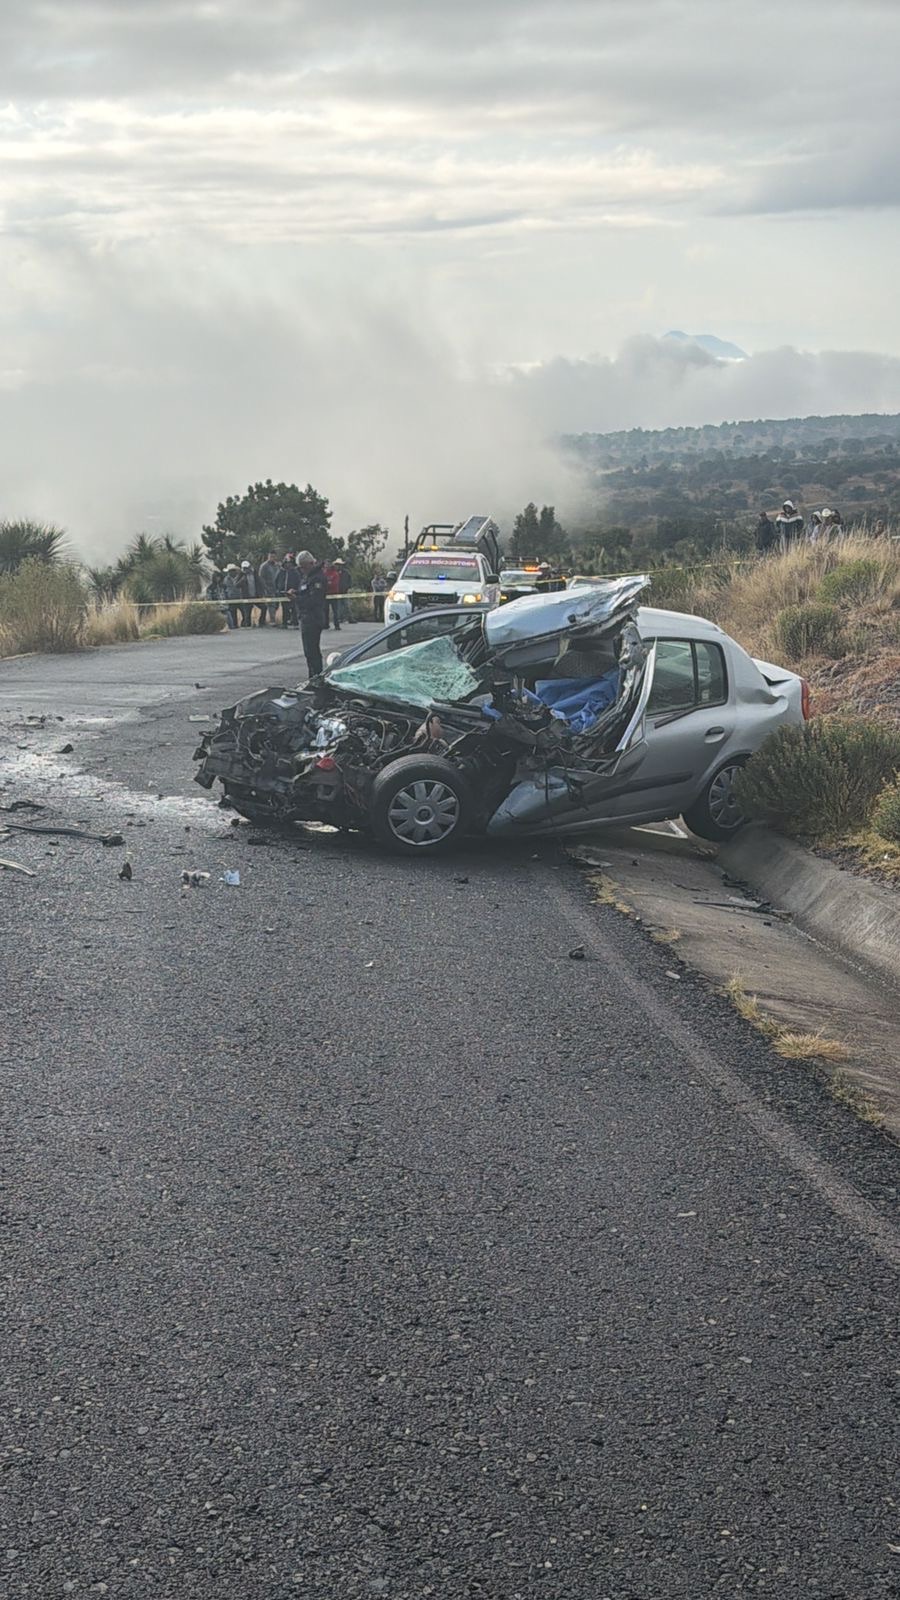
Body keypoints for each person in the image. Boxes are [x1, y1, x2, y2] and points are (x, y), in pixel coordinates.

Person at [295, 549, 328, 678]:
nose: (301, 570)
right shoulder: (307, 577)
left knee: (313, 651)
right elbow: (305, 593)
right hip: (305, 617)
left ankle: (317, 677)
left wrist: (296, 599)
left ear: (310, 564)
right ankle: (312, 676)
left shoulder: (317, 578)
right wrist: (296, 593)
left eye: (303, 567)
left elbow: (314, 600)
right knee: (308, 652)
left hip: (313, 618)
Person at [258, 551, 280, 624]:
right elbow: (261, 578)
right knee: (271, 605)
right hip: (268, 589)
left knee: (276, 605)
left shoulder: (277, 565)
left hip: (277, 589)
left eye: (274, 556)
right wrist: (266, 588)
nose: (272, 558)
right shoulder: (264, 566)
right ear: (268, 557)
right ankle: (272, 620)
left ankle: (274, 618)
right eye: (271, 557)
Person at [277, 553, 299, 628]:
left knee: (294, 608)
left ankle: (295, 623)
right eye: (287, 563)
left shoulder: (295, 572)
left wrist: (295, 590)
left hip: (293, 593)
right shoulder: (281, 572)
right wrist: (278, 590)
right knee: (285, 608)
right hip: (283, 593)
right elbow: (276, 581)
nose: (288, 565)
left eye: (290, 563)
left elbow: (298, 582)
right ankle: (284, 623)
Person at [222, 564, 243, 629]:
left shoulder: (239, 577)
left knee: (244, 612)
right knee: (233, 613)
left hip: (239, 597)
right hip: (231, 598)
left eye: (234, 570)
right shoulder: (226, 579)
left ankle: (243, 624)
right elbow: (229, 588)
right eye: (231, 570)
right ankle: (234, 625)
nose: (233, 572)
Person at [324, 559, 342, 630]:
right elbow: (322, 582)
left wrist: (328, 583)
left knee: (335, 610)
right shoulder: (324, 573)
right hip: (326, 594)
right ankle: (326, 624)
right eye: (326, 564)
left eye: (328, 564)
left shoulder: (335, 574)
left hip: (334, 593)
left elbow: (334, 584)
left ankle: (337, 625)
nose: (327, 566)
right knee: (325, 610)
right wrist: (328, 583)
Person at [239, 560, 258, 627]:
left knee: (264, 607)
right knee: (247, 612)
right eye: (244, 568)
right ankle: (247, 625)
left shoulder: (254, 573)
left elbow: (259, 582)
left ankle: (262, 622)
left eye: (247, 568)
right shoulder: (241, 575)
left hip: (255, 596)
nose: (246, 570)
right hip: (246, 596)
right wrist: (242, 580)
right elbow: (236, 584)